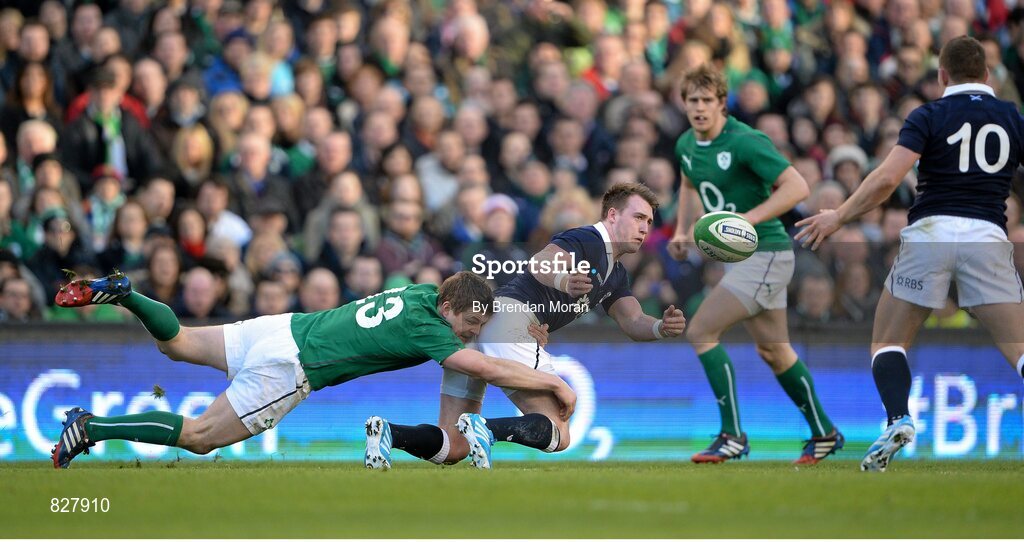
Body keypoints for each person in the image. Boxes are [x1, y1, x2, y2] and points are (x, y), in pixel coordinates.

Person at [49, 270, 575, 469]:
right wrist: (553, 381)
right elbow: (485, 368)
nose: (468, 332)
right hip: (291, 363)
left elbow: (472, 342)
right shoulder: (431, 329)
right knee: (201, 436)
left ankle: (126, 293)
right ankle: (90, 426)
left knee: (180, 343)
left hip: (283, 327)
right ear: (450, 309)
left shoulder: (420, 293)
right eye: (467, 323)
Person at [796, 36, 1024, 472]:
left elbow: (887, 179)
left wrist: (839, 215)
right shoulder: (1012, 116)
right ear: (988, 75)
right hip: (987, 236)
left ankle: (898, 418)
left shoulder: (929, 113)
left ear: (942, 75)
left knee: (887, 341)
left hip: (931, 232)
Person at [366, 183, 686, 469]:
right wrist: (565, 280)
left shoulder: (616, 274)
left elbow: (632, 320)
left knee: (455, 446)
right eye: (639, 217)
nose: (645, 228)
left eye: (649, 222)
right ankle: (487, 429)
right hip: (511, 320)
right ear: (613, 215)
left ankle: (387, 434)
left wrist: (660, 327)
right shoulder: (589, 238)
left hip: (480, 328)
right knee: (558, 431)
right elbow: (540, 263)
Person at [667, 64, 843, 465]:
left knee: (701, 330)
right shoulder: (685, 145)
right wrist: (681, 229)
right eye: (691, 100)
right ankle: (825, 433)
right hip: (742, 259)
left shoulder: (746, 141)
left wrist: (750, 218)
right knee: (774, 351)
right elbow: (688, 182)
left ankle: (732, 436)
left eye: (706, 100)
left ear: (722, 103)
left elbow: (798, 186)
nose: (698, 108)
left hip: (766, 252)